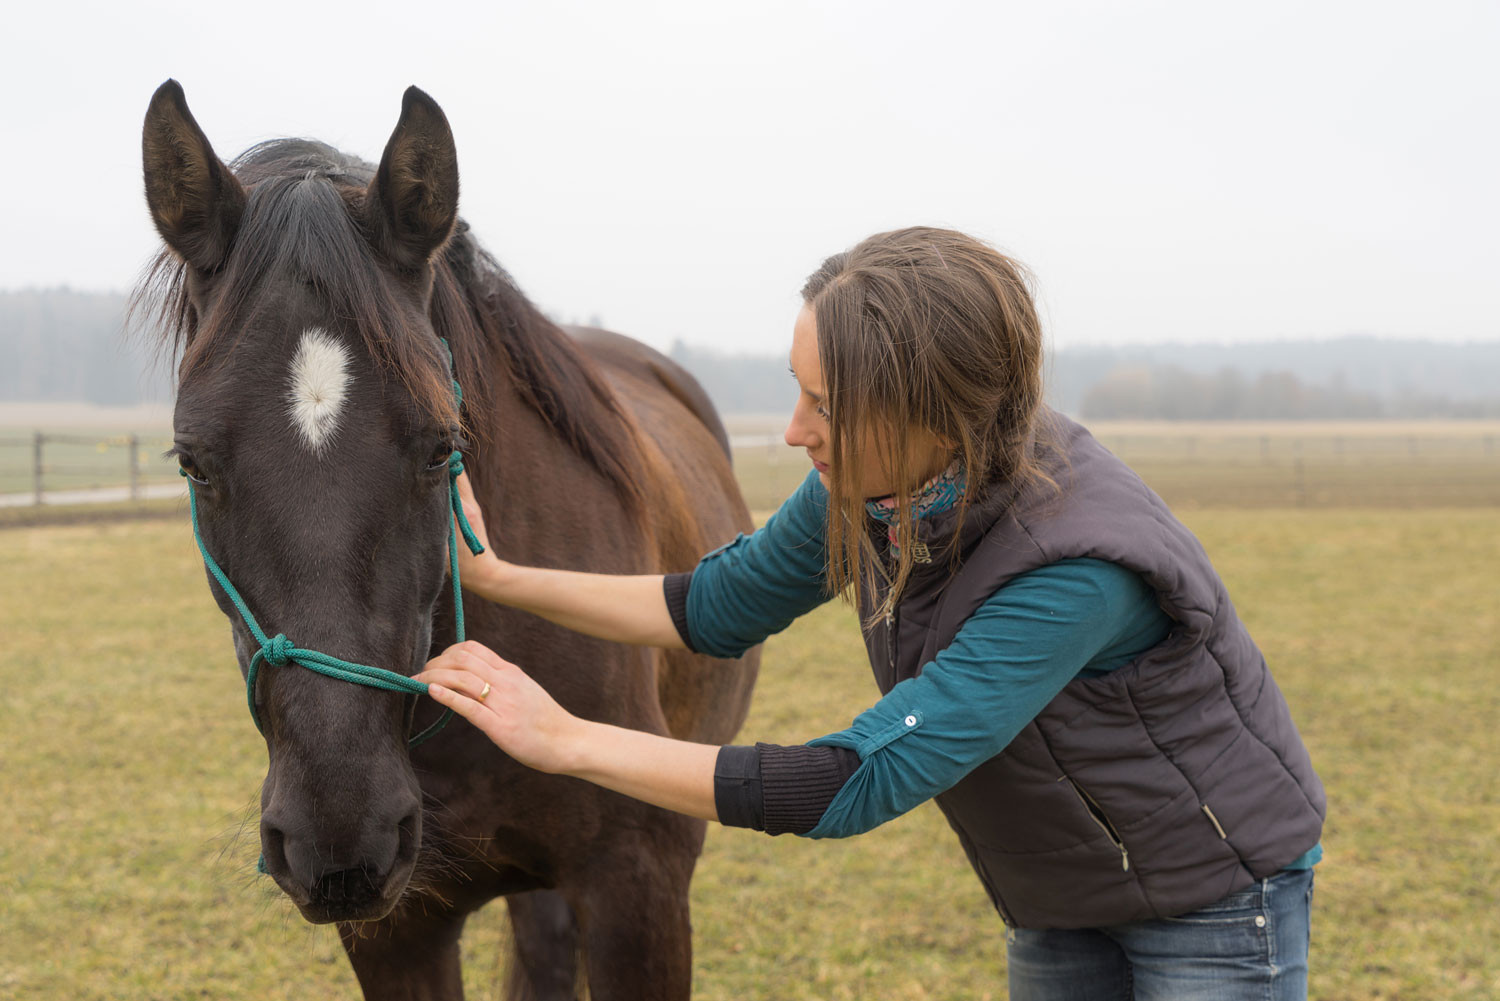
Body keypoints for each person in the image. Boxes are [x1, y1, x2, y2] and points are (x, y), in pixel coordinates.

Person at [416, 226, 1325, 1000]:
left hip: (1212, 898)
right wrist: (498, 577)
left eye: (828, 404)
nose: (794, 430)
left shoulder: (1073, 568)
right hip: (1059, 887)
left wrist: (566, 738)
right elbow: (719, 604)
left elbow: (847, 781)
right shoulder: (876, 482)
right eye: (798, 388)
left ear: (935, 413)